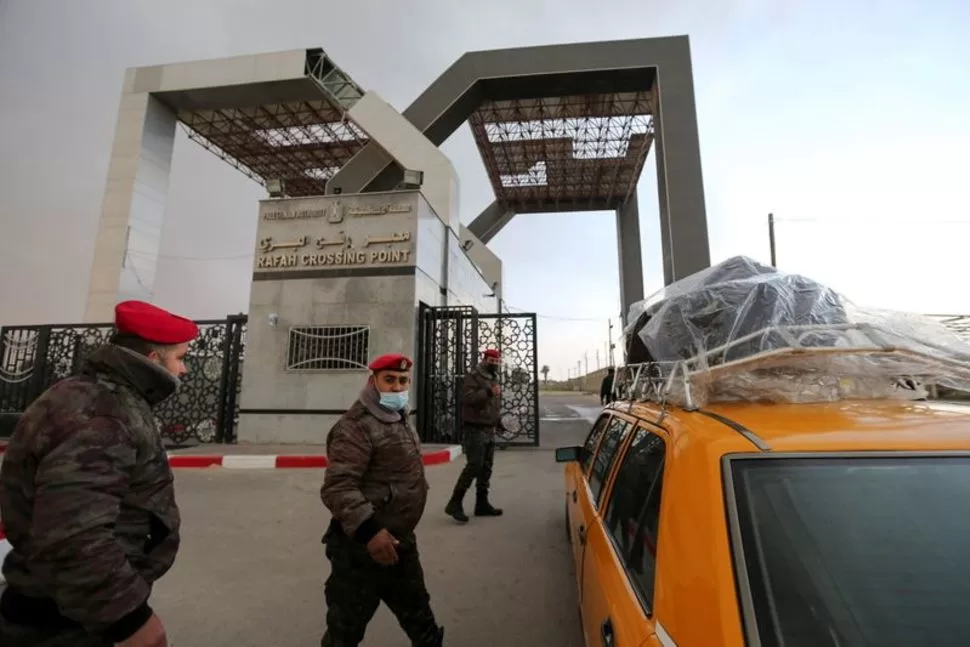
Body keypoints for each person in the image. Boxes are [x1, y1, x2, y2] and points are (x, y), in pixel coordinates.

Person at [0, 300, 198, 647]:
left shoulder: (96, 395)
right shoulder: (103, 413)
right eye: (180, 358)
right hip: (65, 621)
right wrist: (129, 620)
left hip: (71, 608)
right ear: (153, 359)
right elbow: (73, 536)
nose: (184, 369)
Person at [320, 353, 444, 647]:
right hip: (361, 548)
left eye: (403, 381)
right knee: (345, 631)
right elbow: (338, 486)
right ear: (372, 381)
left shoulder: (400, 416)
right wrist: (371, 532)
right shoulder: (356, 426)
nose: (397, 387)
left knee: (421, 620)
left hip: (400, 542)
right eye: (389, 380)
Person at [444, 348, 504, 524]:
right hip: (475, 429)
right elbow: (468, 398)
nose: (495, 364)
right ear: (484, 360)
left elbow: (493, 404)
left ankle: (482, 503)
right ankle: (455, 503)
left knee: (486, 468)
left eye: (497, 362)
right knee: (474, 465)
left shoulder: (493, 378)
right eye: (492, 361)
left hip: (488, 428)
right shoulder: (474, 376)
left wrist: (497, 421)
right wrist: (488, 392)